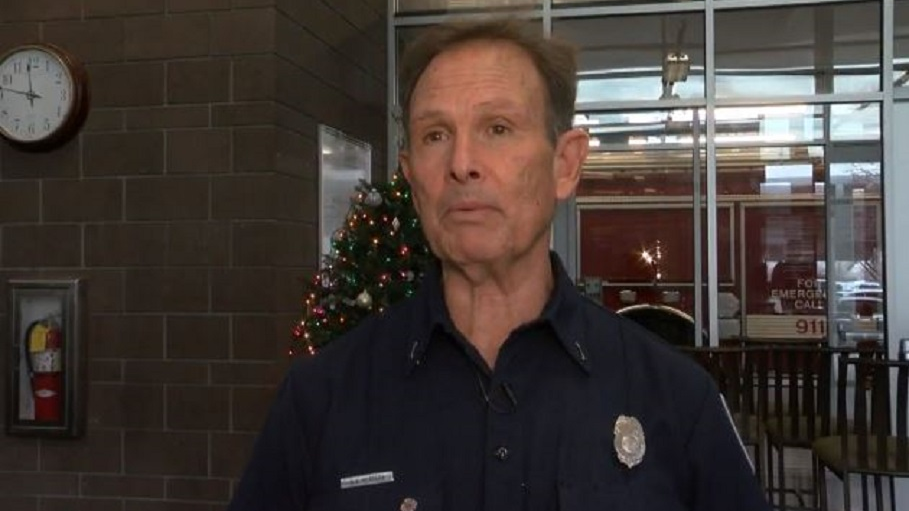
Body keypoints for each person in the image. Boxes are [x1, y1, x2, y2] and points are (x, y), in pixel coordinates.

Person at [228, 19, 770, 511]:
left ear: (565, 164)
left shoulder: (674, 399)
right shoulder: (321, 399)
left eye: (498, 128)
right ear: (412, 177)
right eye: (436, 135)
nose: (462, 164)